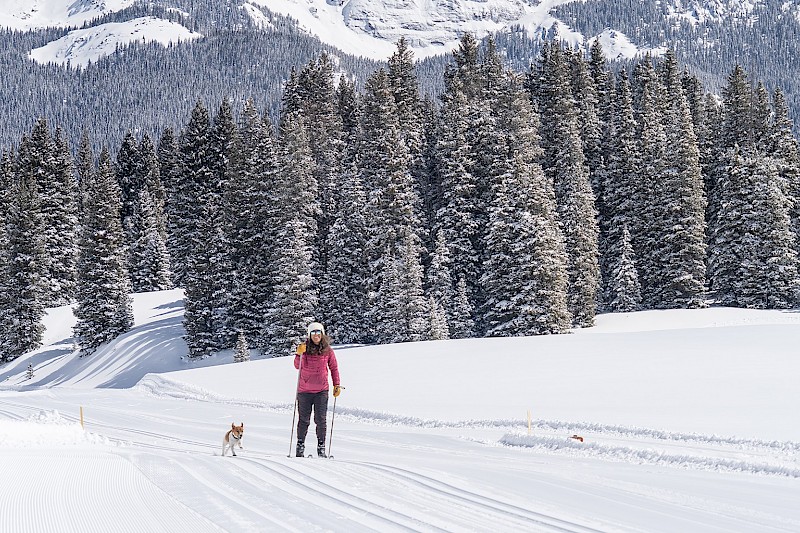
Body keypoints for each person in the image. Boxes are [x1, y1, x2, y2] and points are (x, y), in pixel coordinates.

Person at [294, 321, 340, 458]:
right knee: (304, 420)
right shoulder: (304, 348)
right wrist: (298, 354)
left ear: (322, 334)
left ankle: (321, 448)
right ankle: (300, 446)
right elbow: (297, 366)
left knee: (321, 420)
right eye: (313, 332)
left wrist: (336, 384)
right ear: (309, 335)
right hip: (304, 391)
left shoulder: (328, 351)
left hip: (321, 391)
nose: (316, 335)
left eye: (318, 332)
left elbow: (334, 368)